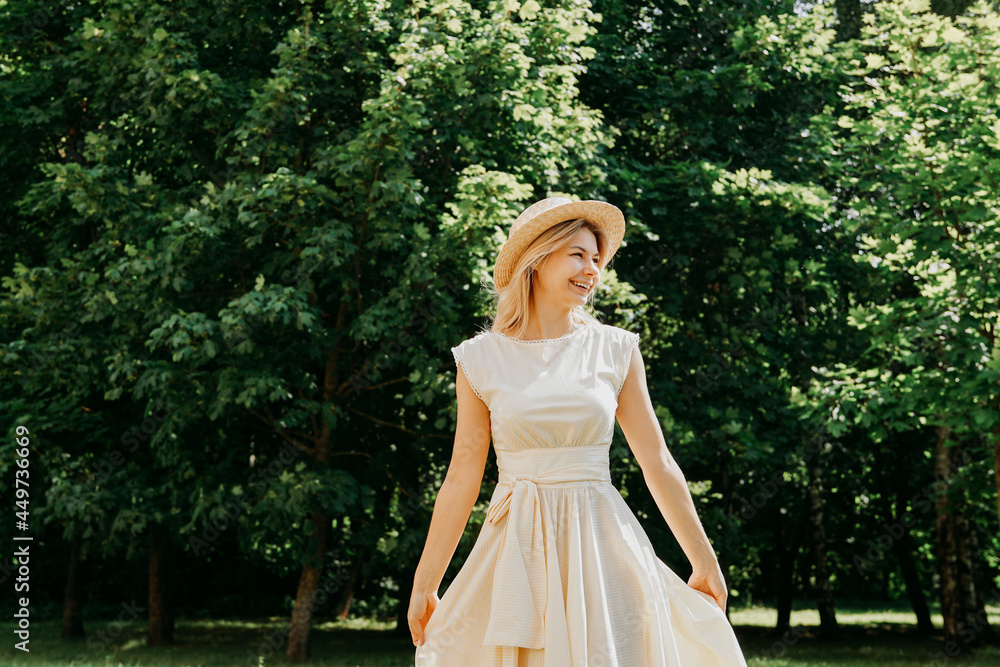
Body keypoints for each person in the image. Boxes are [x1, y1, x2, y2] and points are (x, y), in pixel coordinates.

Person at [408, 197, 749, 666]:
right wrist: (426, 582)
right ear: (538, 256)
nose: (592, 269)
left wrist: (704, 560)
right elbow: (462, 475)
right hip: (515, 546)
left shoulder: (615, 349)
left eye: (596, 258)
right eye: (578, 255)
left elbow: (658, 461)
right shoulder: (479, 358)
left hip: (600, 541)